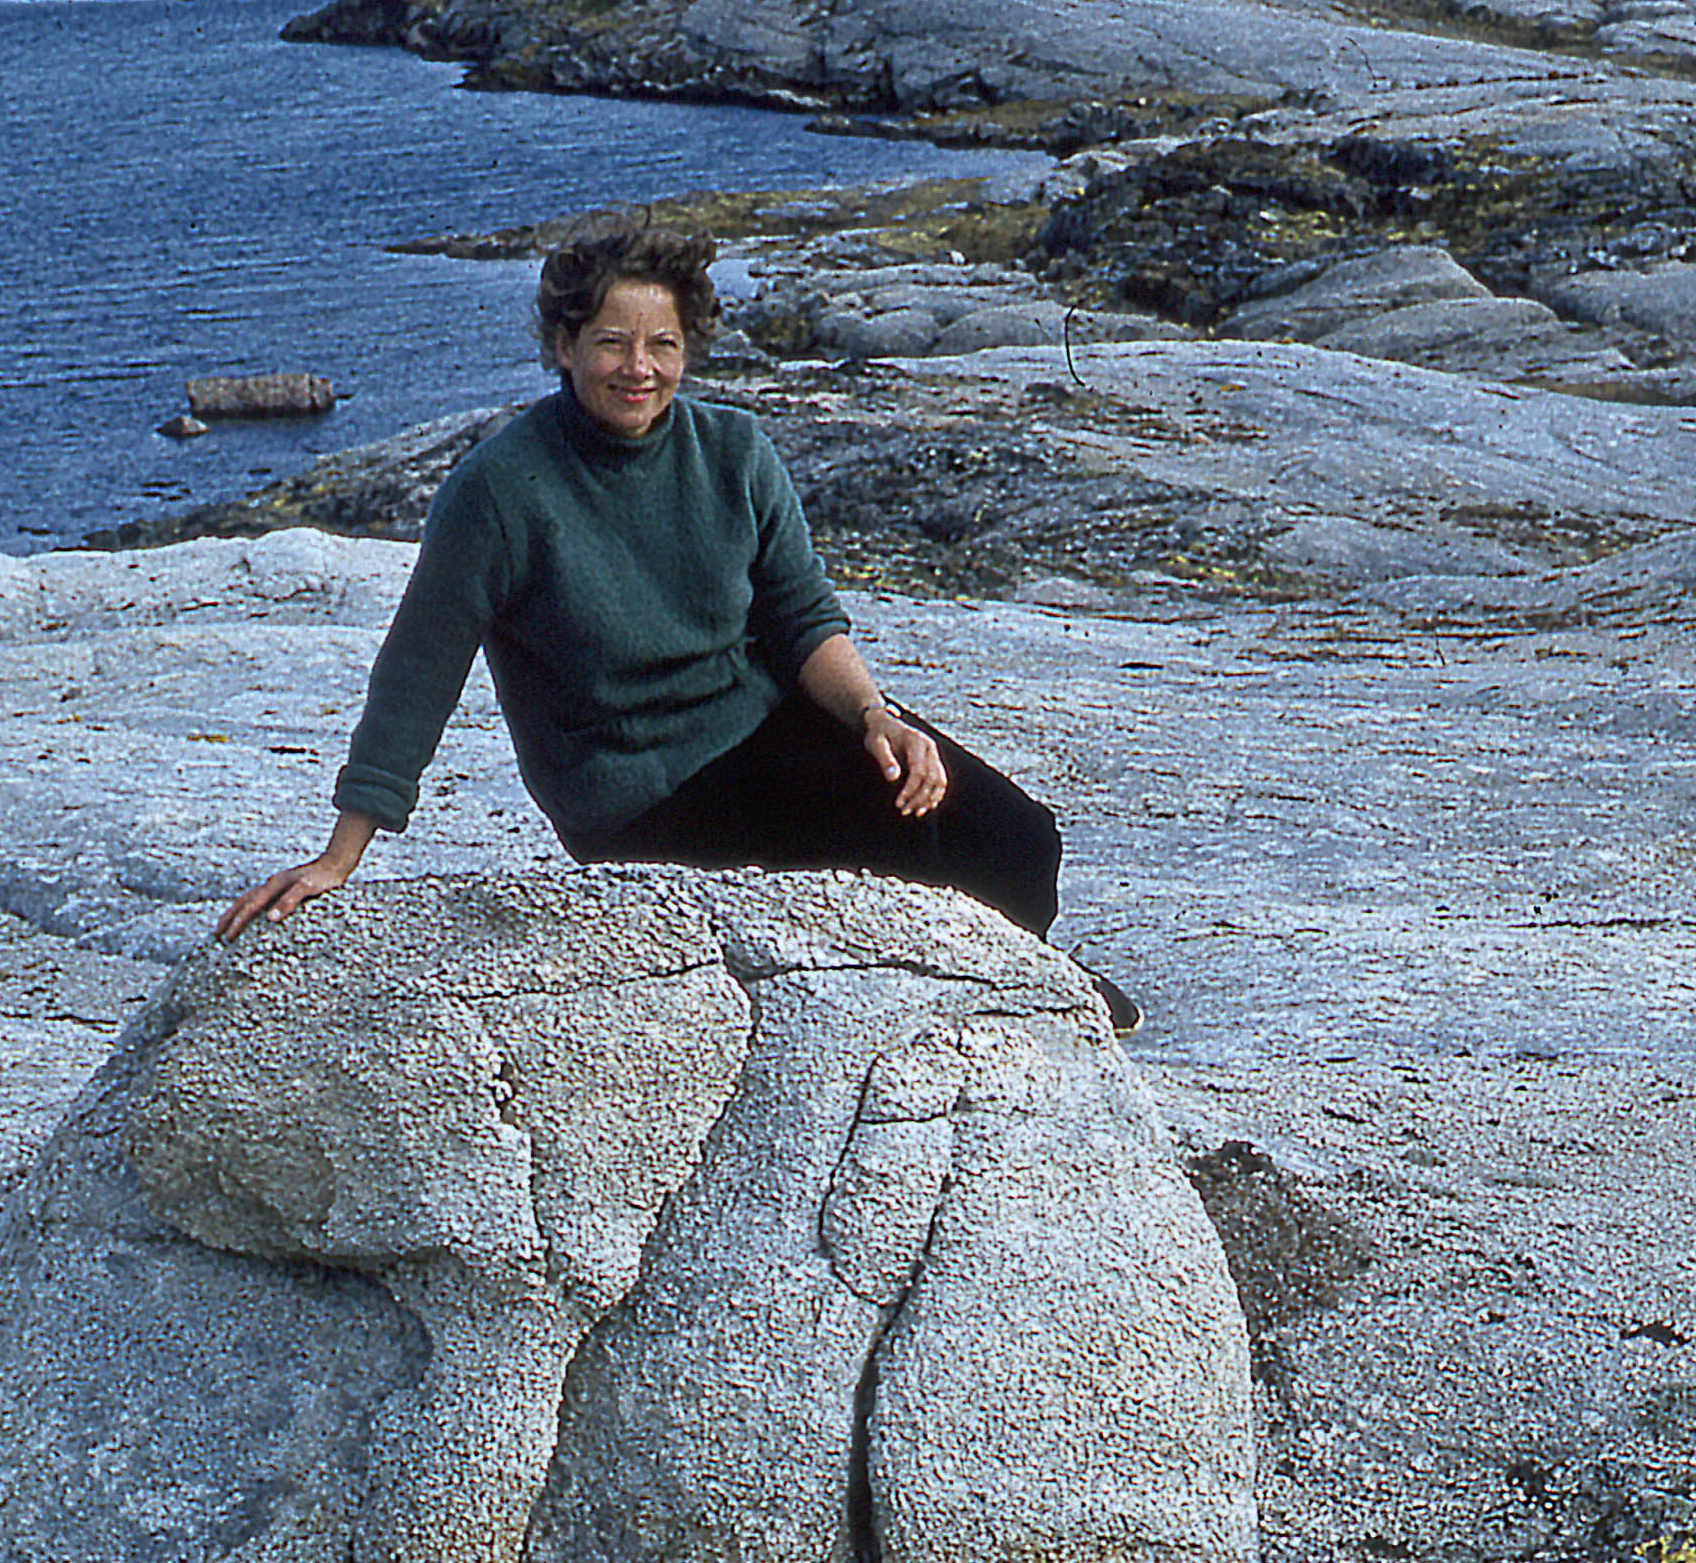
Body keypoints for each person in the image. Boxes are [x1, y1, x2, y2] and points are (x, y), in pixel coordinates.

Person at [218, 221, 1132, 1027]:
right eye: (612, 343)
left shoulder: (733, 452)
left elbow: (802, 617)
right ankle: (1000, 998)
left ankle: (1020, 975)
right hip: (634, 791)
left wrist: (876, 717)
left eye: (663, 343)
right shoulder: (498, 491)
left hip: (763, 727)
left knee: (1013, 838)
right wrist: (344, 856)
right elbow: (419, 674)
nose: (640, 368)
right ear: (564, 344)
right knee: (895, 844)